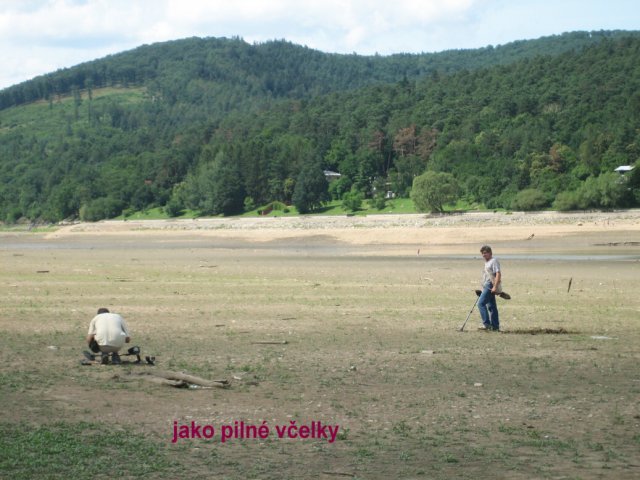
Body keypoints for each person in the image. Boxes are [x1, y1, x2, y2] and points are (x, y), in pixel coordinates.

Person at [478, 245, 502, 331]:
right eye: (482, 254)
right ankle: (495, 326)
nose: (484, 255)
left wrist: (495, 286)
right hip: (486, 286)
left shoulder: (494, 261)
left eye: (485, 253)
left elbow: (498, 274)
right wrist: (482, 289)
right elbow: (485, 276)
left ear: (490, 253)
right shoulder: (486, 263)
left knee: (480, 304)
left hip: (490, 285)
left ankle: (487, 325)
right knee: (491, 306)